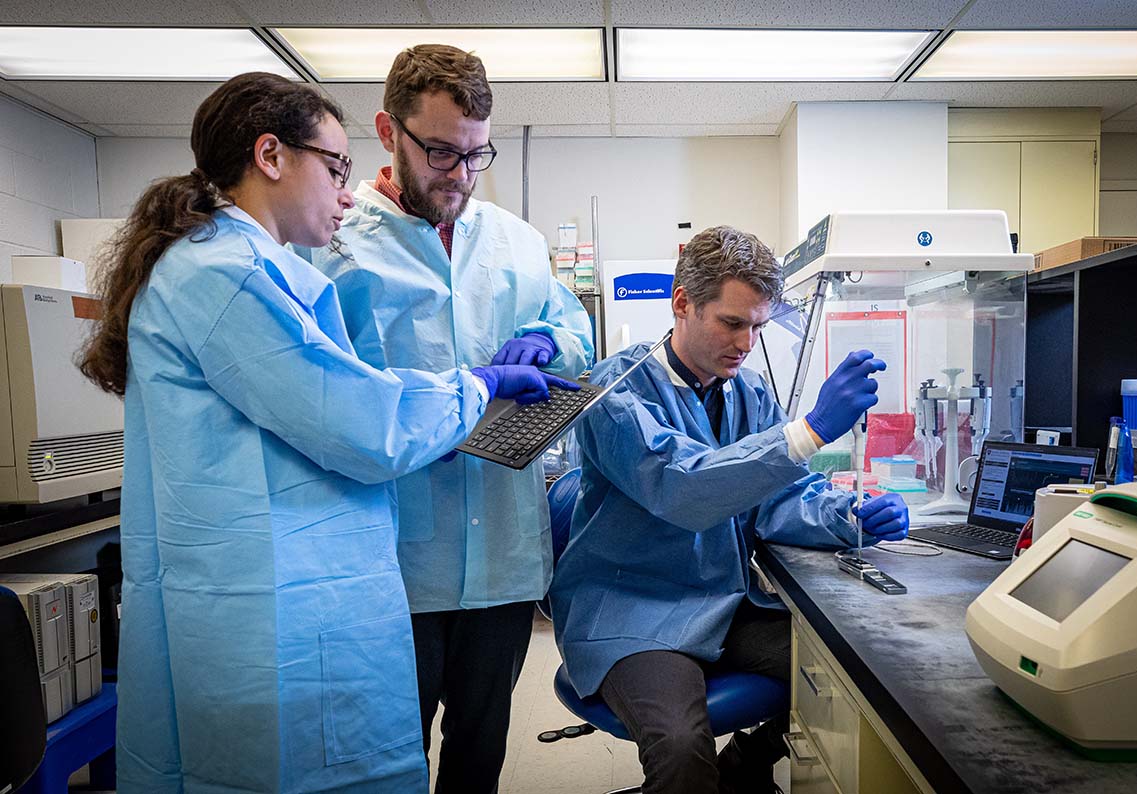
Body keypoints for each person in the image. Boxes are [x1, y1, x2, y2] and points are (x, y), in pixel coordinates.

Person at [77, 72, 573, 794]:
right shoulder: (229, 271)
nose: (347, 193)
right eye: (335, 169)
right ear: (271, 156)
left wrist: (540, 343)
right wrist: (478, 385)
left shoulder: (239, 263)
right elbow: (362, 419)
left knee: (454, 746)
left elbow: (339, 399)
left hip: (361, 567)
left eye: (475, 155)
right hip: (280, 585)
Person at [297, 44, 593, 793]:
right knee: (388, 762)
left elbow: (578, 335)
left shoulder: (516, 242)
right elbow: (321, 403)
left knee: (479, 755)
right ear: (386, 131)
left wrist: (552, 338)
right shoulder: (334, 248)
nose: (459, 174)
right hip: (390, 562)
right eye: (439, 152)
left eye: (474, 154)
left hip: (501, 556)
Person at [549, 226, 910, 794]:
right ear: (683, 304)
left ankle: (744, 765)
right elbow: (683, 489)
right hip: (632, 614)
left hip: (719, 600)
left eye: (758, 327)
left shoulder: (749, 392)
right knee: (680, 748)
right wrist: (809, 431)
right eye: (732, 323)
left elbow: (776, 501)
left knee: (847, 671)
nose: (745, 344)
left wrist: (849, 516)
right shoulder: (613, 392)